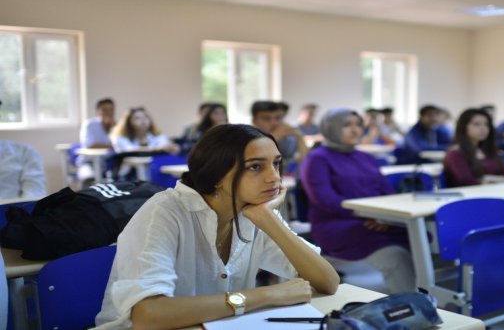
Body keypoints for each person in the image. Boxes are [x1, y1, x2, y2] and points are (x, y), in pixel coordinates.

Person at [94, 124, 339, 329]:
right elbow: (149, 316)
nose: (274, 177)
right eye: (255, 167)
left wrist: (269, 220)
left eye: (275, 163)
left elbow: (327, 282)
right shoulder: (166, 212)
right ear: (217, 175)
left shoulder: (253, 211)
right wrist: (268, 294)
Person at [300, 108, 415, 294]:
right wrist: (370, 216)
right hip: (338, 225)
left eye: (358, 125)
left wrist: (384, 218)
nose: (355, 130)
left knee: (425, 240)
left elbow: (388, 193)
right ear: (331, 128)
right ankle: (416, 309)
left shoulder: (366, 158)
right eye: (347, 125)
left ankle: (433, 298)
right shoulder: (317, 159)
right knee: (396, 255)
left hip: (379, 221)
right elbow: (326, 201)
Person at [443, 108, 504, 187]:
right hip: (470, 196)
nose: (483, 128)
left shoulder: (488, 150)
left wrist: (490, 179)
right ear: (463, 127)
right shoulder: (455, 153)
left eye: (486, 124)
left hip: (494, 193)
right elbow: (466, 181)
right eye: (476, 124)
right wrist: (498, 180)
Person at [110, 107, 180, 178]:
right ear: (128, 122)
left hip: (154, 171)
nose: (143, 120)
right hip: (128, 174)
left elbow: (166, 147)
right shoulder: (120, 138)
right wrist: (157, 149)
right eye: (137, 118)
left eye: (145, 117)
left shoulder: (157, 136)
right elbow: (130, 150)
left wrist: (173, 148)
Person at [251, 101, 308, 173]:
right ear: (254, 121)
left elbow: (304, 161)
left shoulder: (287, 138)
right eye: (266, 118)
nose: (274, 123)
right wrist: (273, 138)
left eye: (277, 118)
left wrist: (300, 137)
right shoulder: (248, 139)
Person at [77, 98, 116, 183]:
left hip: (109, 165)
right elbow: (90, 145)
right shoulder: (89, 124)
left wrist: (114, 128)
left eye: (111, 110)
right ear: (97, 111)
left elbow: (122, 145)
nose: (108, 113)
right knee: (88, 179)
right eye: (104, 110)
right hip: (89, 163)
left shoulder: (116, 126)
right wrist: (111, 146)